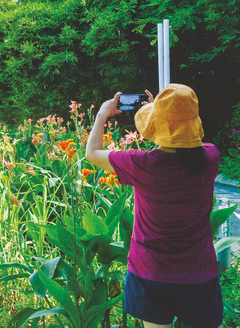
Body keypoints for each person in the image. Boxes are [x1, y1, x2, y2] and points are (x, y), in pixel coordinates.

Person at [85, 84, 223, 328]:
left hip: (150, 273)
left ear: (156, 124)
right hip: (199, 273)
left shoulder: (142, 164)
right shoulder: (210, 157)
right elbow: (187, 143)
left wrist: (102, 114)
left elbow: (93, 153)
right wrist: (159, 112)